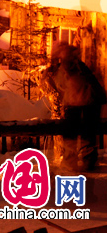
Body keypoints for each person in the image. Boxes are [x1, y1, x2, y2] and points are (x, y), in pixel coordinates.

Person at [42, 44, 106, 172]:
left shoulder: (76, 68)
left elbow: (72, 86)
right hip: (77, 107)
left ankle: (79, 162)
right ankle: (76, 162)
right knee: (76, 137)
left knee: (80, 137)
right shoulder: (73, 68)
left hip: (81, 107)